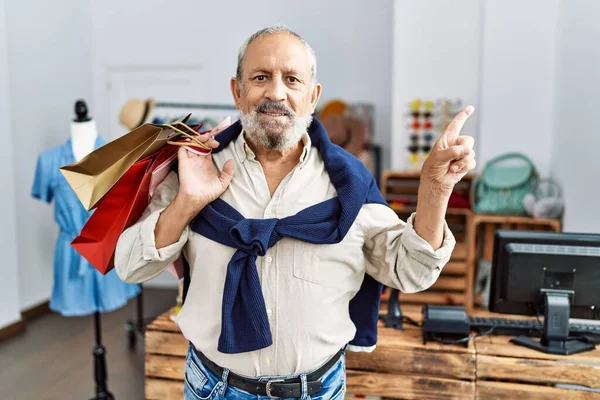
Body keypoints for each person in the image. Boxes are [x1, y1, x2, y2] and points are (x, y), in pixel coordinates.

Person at [115, 25, 476, 400]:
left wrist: (435, 190)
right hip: (212, 387)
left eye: (292, 79)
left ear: (312, 96)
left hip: (318, 390)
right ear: (237, 92)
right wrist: (188, 202)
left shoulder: (349, 185)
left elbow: (411, 271)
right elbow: (131, 266)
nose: (276, 92)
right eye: (260, 77)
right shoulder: (194, 169)